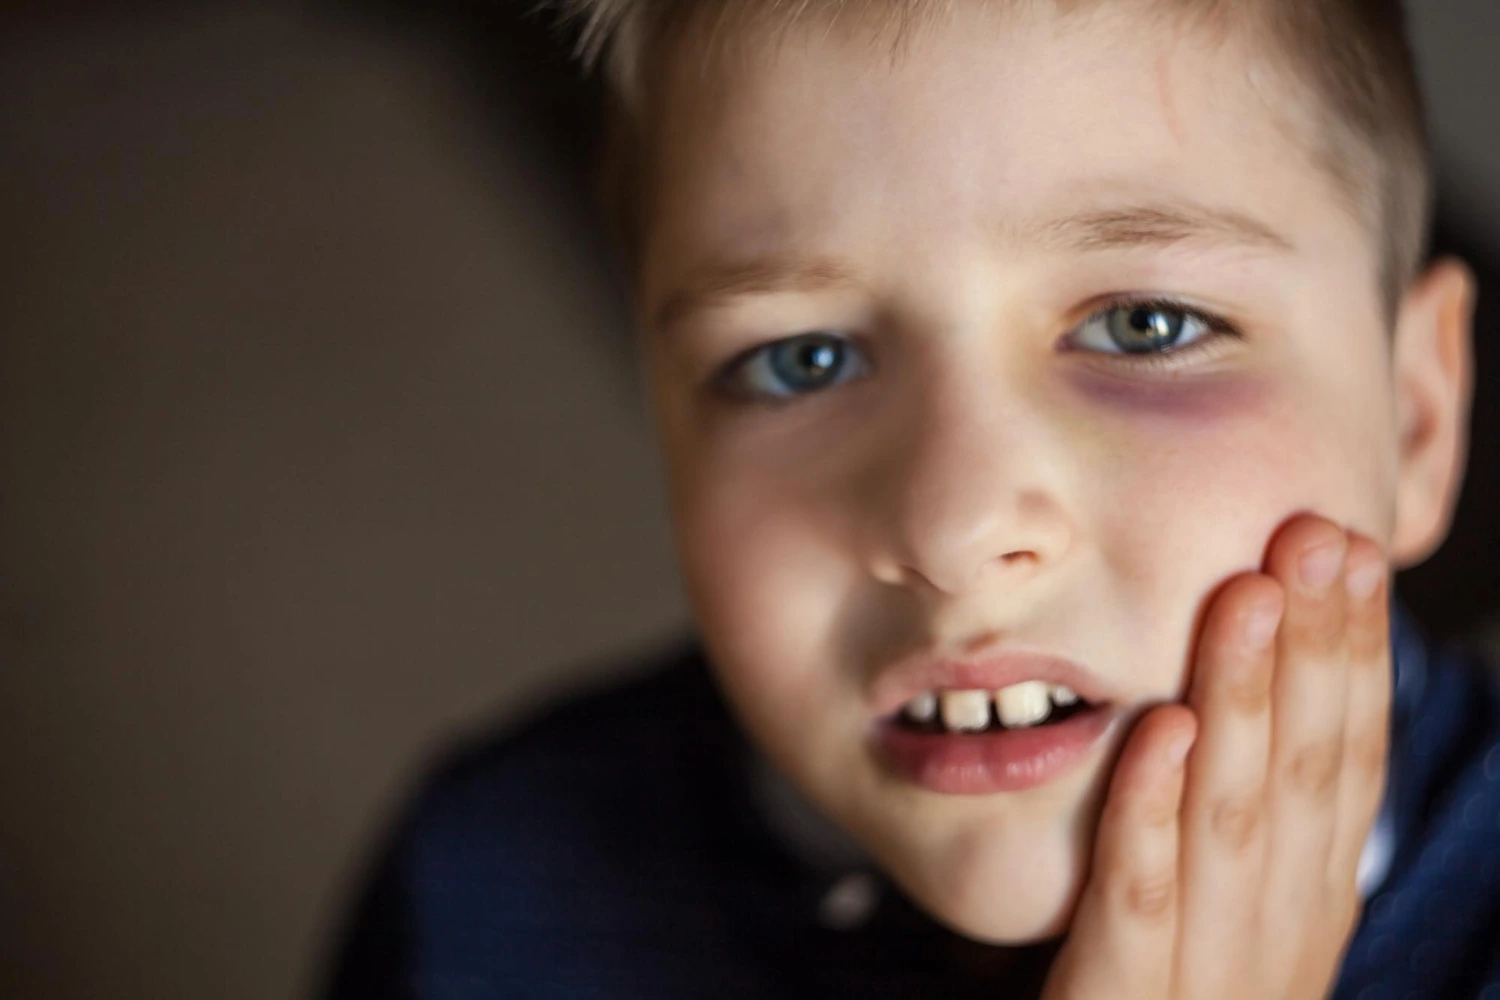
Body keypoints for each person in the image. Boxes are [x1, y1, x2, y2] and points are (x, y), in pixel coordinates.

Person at [324, 1, 1500, 996]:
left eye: (1147, 325)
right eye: (802, 359)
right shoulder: (484, 892)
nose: (953, 529)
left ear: (1416, 419)